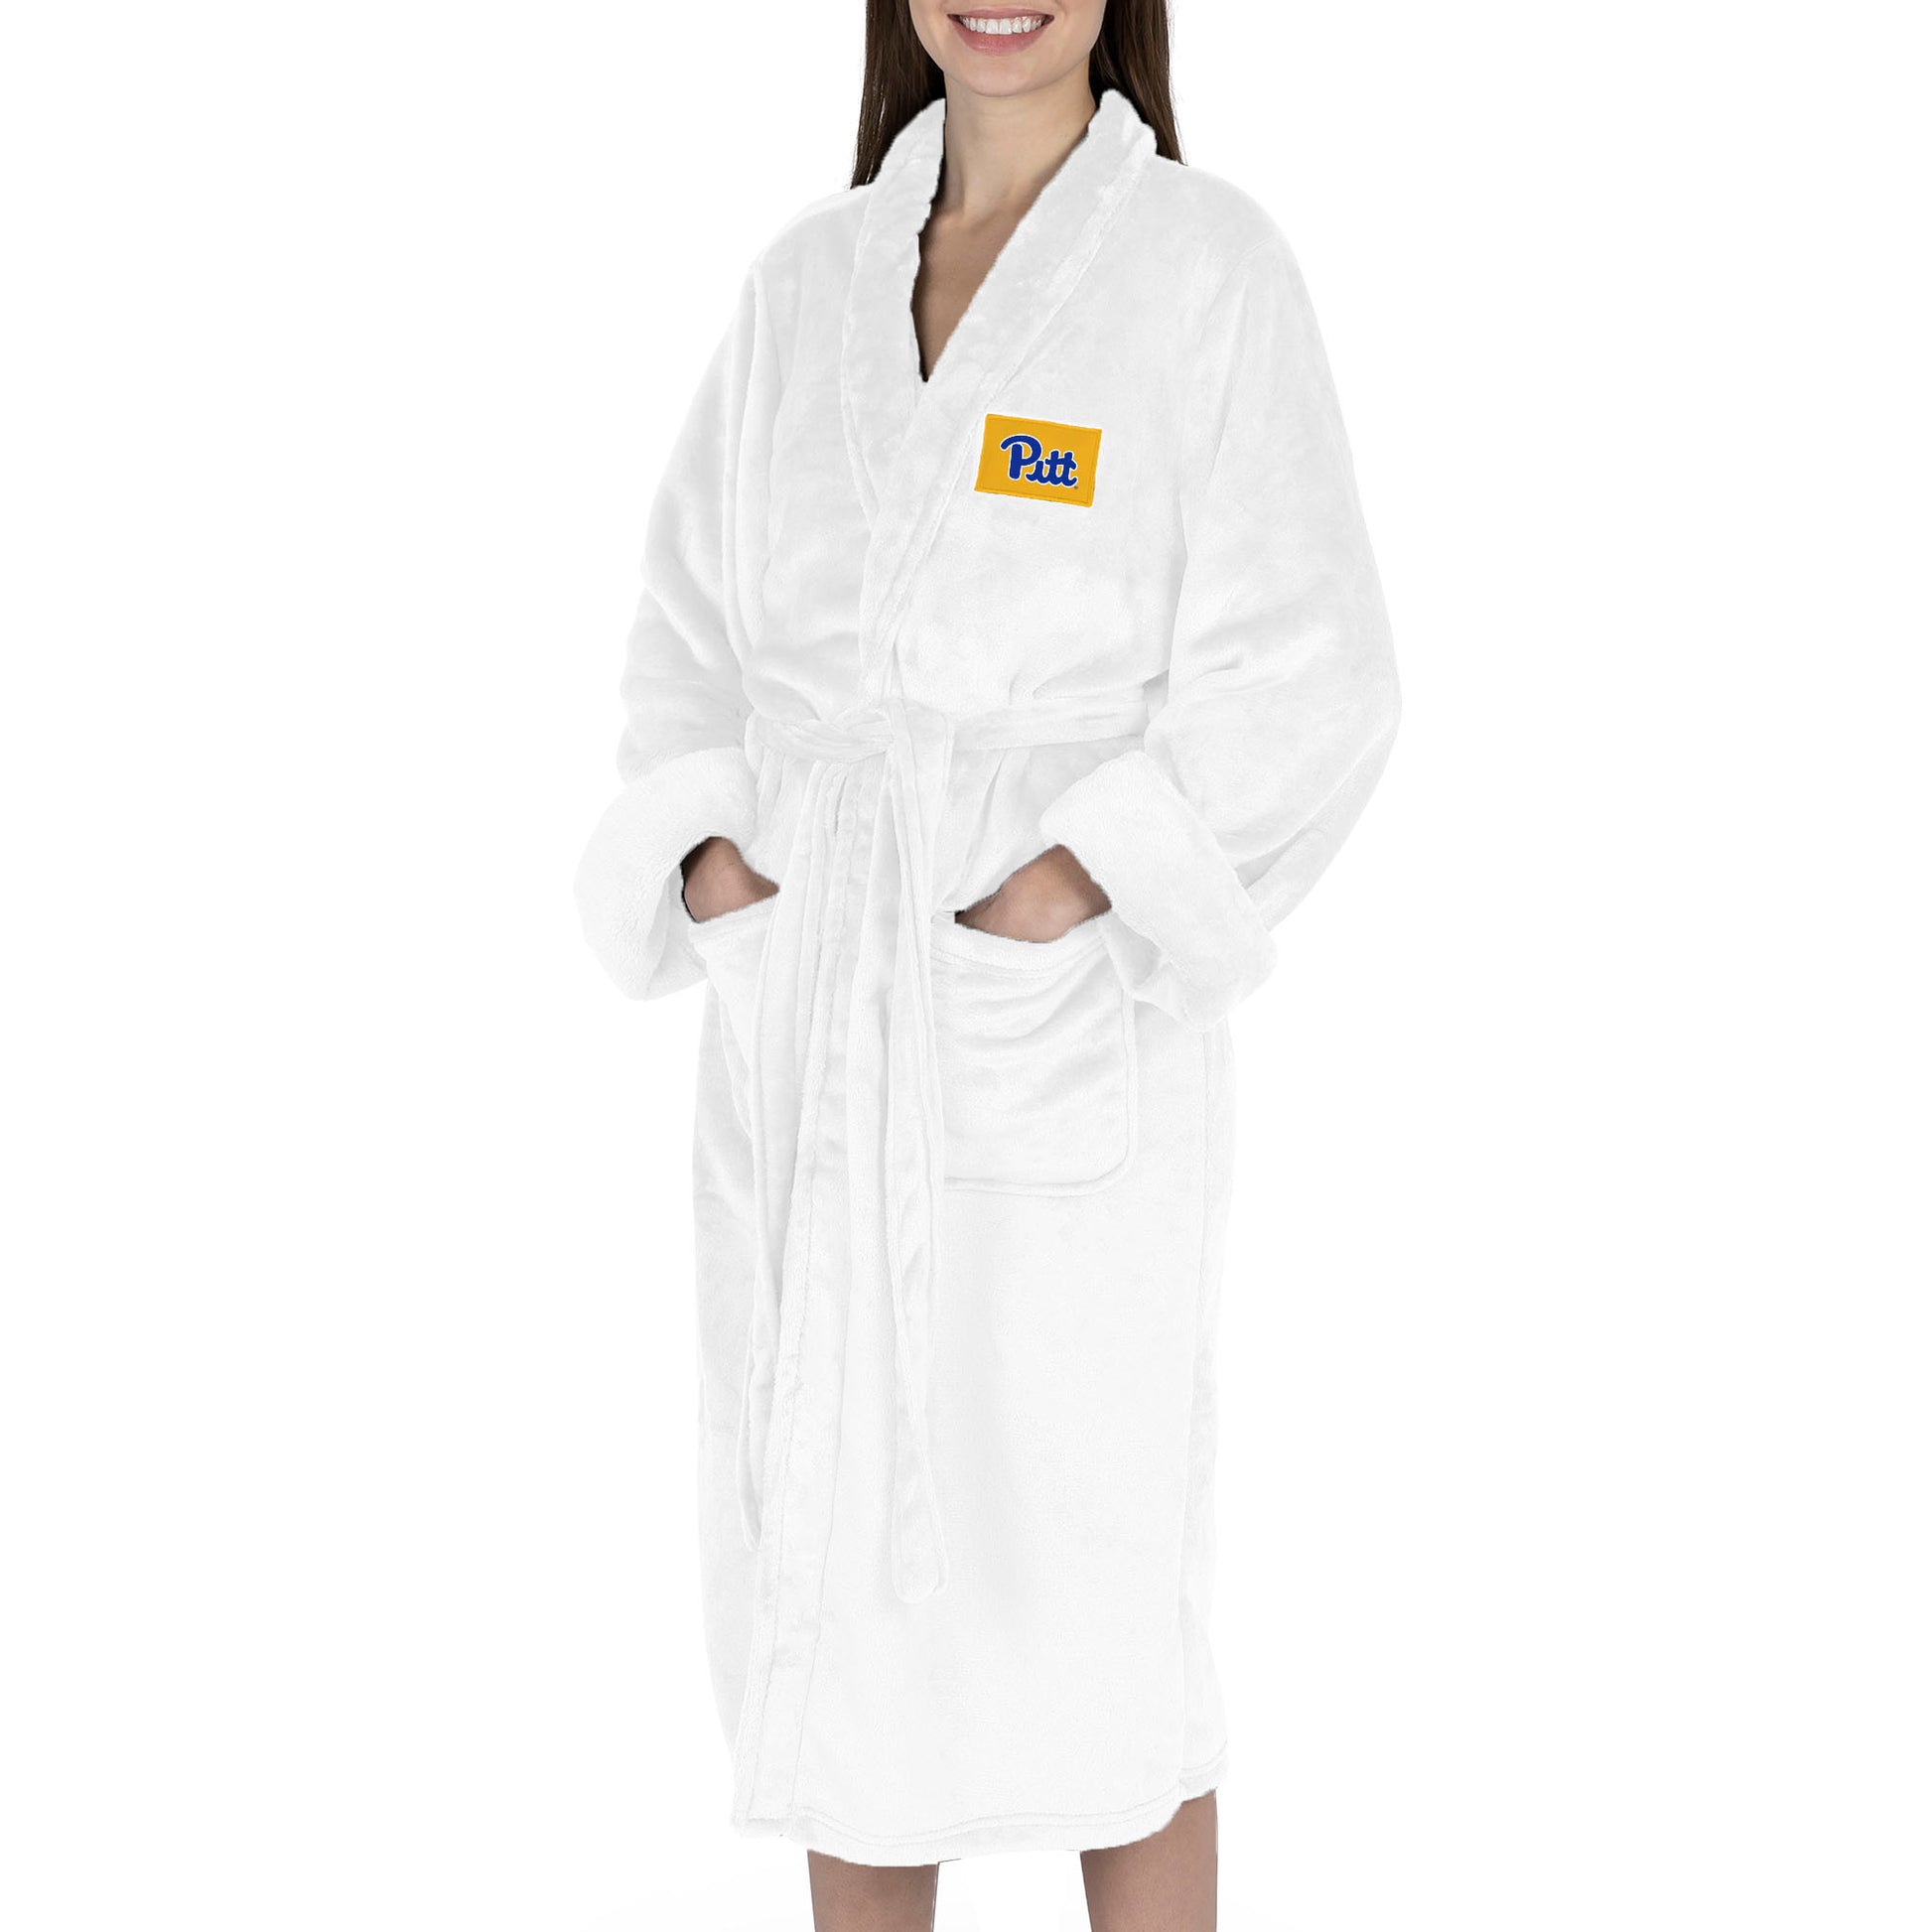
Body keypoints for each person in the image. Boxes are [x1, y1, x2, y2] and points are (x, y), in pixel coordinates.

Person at [575, 2, 1399, 1924]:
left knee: (1105, 1626)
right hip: (819, 1028)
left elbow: (1317, 668)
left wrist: (1080, 883)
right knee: (840, 1615)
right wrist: (720, 871)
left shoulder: (1202, 270)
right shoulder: (801, 288)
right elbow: (681, 642)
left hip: (1057, 1044)